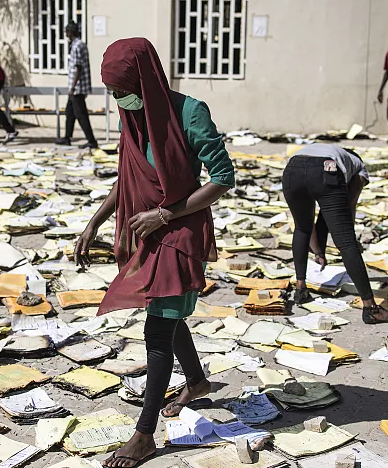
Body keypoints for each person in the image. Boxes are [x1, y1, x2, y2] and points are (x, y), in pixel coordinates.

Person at [75, 38, 235, 468]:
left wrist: (164, 214)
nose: (117, 100)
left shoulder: (189, 112)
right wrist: (95, 220)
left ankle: (144, 436)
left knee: (156, 332)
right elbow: (126, 175)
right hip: (148, 234)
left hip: (179, 234)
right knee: (166, 313)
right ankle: (197, 382)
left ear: (145, 81)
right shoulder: (134, 116)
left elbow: (222, 177)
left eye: (121, 91)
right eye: (111, 93)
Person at [284, 144, 388, 324]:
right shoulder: (359, 166)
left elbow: (310, 225)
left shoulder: (328, 151)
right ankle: (371, 308)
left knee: (301, 228)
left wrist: (318, 251)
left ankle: (300, 289)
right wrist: (346, 233)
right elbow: (349, 203)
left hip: (292, 170)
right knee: (346, 243)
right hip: (324, 170)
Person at [55, 21, 98, 149]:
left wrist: (73, 87)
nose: (66, 34)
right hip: (76, 87)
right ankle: (67, 137)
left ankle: (91, 140)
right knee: (69, 112)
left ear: (70, 32)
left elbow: (78, 67)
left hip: (77, 87)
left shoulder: (77, 46)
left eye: (66, 32)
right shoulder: (78, 44)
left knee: (81, 114)